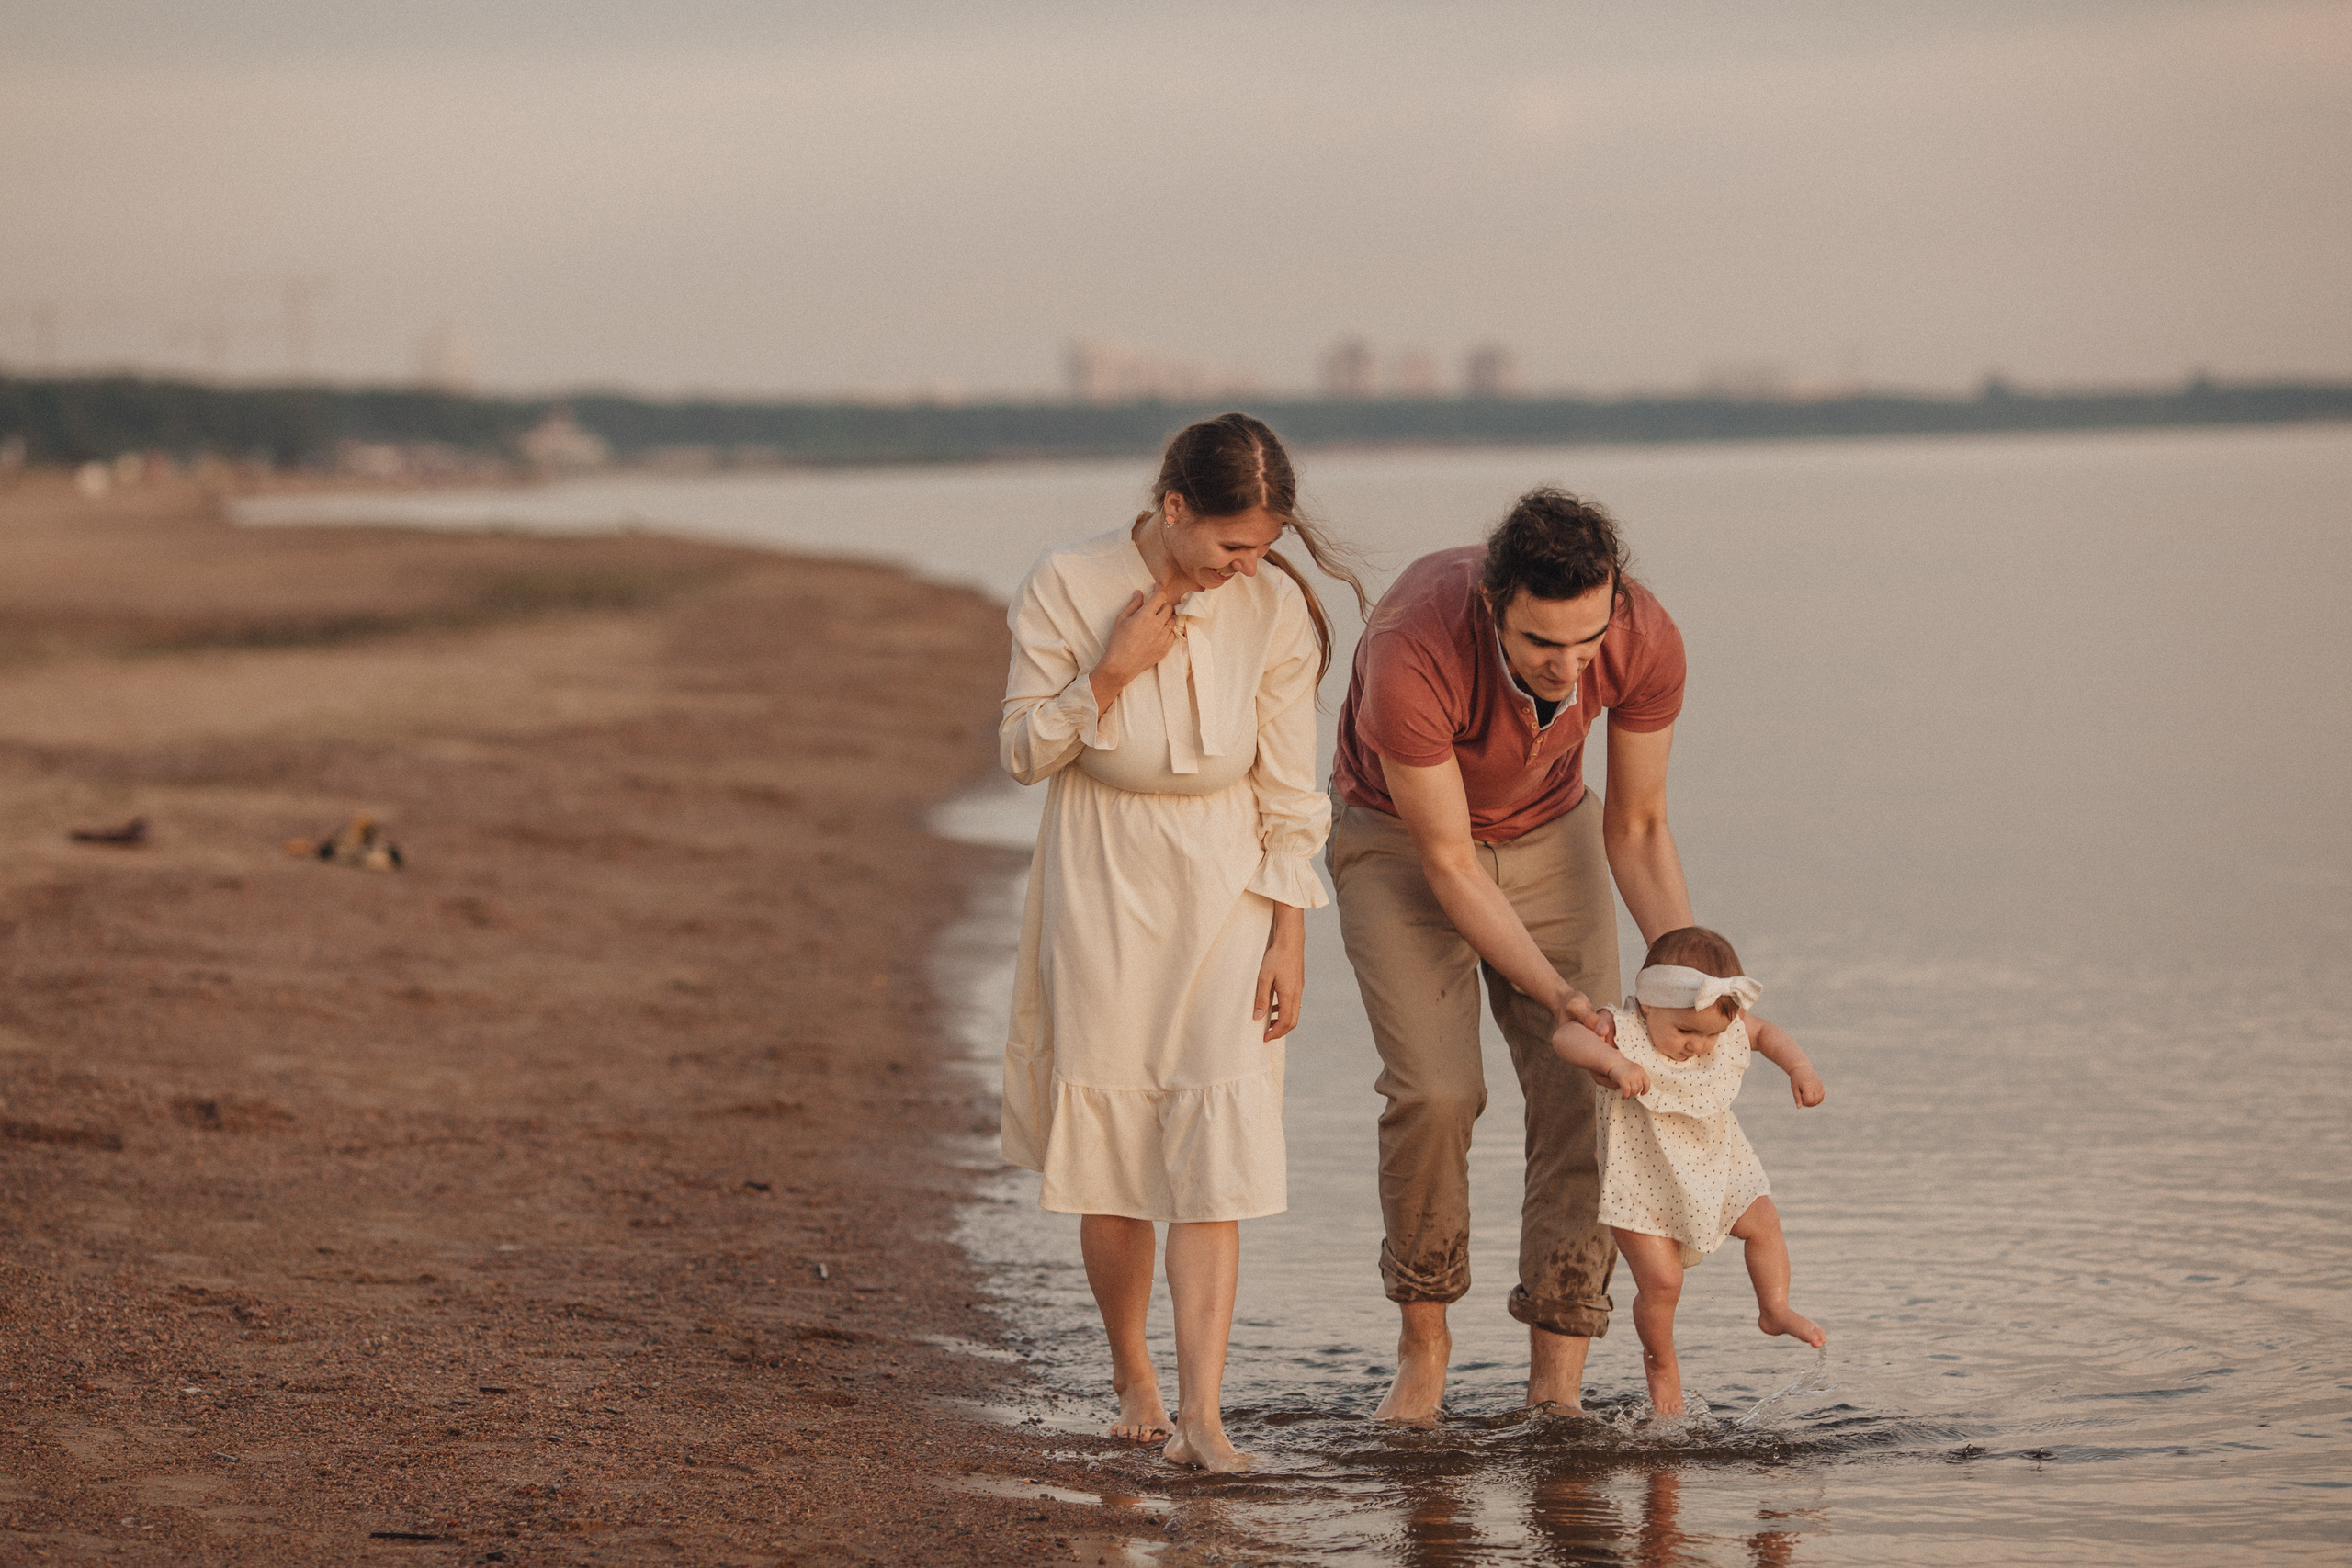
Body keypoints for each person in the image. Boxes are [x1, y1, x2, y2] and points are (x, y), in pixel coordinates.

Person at [999, 412, 1365, 1472]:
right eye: (1233, 545)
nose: (1248, 566)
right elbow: (1024, 751)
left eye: (1263, 546)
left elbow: (1293, 788)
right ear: (1173, 510)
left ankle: (1204, 1413)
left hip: (1231, 881)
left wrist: (1289, 935)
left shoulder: (1273, 611)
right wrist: (1109, 673)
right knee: (1113, 1149)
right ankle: (1132, 1369)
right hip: (1103, 871)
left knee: (1216, 1149)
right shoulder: (1064, 582)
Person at [1327, 486, 1689, 1421]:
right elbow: (1450, 867)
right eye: (1541, 646)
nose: (1570, 667)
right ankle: (1424, 1350)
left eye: (1588, 641)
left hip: (1548, 828)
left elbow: (1640, 826)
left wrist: (1687, 974)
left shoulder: (1642, 634)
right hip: (1400, 845)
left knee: (1589, 1092)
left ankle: (1556, 1391)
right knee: (1436, 1093)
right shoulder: (1412, 646)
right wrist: (1560, 996)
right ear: (1494, 609)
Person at [1552, 925, 1827, 1416]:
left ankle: (1774, 1306)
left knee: (1764, 1221)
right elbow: (1566, 1037)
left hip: (1716, 1161)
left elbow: (1765, 1033)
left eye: (1712, 1035)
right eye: (1687, 1032)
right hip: (1642, 1180)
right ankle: (1661, 1366)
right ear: (1649, 1004)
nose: (1699, 1047)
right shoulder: (1622, 1028)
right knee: (1663, 1283)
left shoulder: (1719, 1029)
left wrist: (1800, 1068)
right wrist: (1612, 1064)